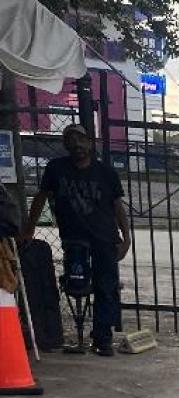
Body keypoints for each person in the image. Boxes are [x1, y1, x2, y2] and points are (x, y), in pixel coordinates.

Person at [22, 125, 130, 356]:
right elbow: (40, 199)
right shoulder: (56, 169)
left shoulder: (106, 173)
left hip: (104, 237)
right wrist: (29, 229)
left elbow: (117, 206)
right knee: (75, 283)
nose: (77, 145)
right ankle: (79, 334)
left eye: (81, 140)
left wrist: (126, 237)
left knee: (106, 286)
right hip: (74, 237)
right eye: (71, 140)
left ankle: (103, 339)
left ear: (90, 143)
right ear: (66, 145)